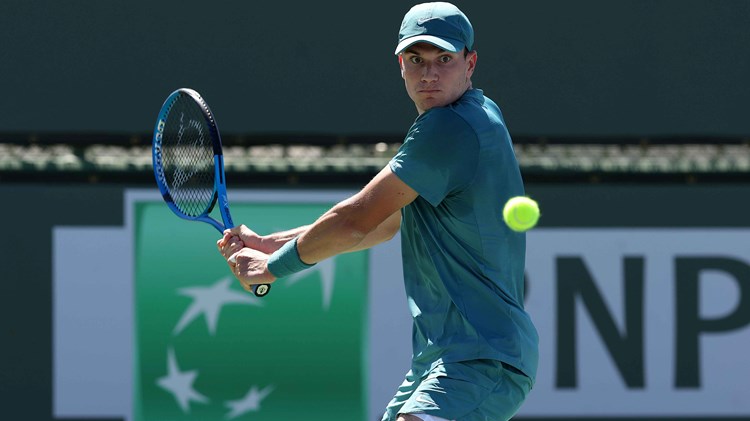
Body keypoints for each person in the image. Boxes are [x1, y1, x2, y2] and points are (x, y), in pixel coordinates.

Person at [217, 2, 538, 420]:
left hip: (480, 356)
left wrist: (271, 267)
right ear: (400, 64)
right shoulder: (475, 115)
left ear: (469, 62)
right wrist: (272, 243)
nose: (429, 73)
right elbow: (384, 224)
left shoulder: (449, 128)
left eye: (444, 59)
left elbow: (355, 220)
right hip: (446, 356)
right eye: (416, 59)